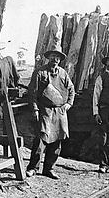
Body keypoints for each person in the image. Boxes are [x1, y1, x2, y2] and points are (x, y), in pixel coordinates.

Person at [26, 45, 76, 180]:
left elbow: (71, 89)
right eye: (52, 56)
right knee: (41, 140)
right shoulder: (39, 72)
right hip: (45, 111)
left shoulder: (63, 73)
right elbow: (33, 93)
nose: (55, 59)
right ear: (48, 58)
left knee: (56, 141)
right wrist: (35, 109)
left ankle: (49, 168)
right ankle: (33, 168)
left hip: (60, 112)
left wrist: (69, 104)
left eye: (57, 57)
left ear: (60, 59)